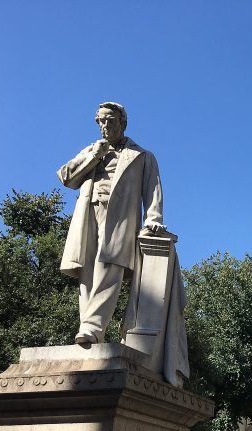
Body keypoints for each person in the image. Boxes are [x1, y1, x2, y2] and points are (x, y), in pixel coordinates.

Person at [58, 102, 165, 346]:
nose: (105, 125)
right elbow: (66, 177)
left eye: (111, 120)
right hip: (88, 213)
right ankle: (89, 329)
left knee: (110, 268)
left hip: (120, 217)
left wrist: (153, 219)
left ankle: (92, 327)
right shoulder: (92, 150)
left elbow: (152, 190)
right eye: (101, 121)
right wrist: (95, 155)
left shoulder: (142, 156)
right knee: (87, 271)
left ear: (123, 123)